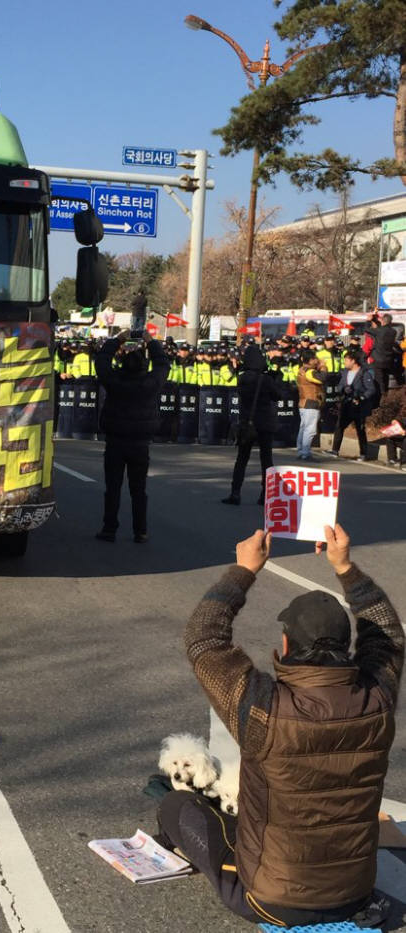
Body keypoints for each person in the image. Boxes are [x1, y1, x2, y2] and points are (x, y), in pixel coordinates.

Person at [158, 524, 403, 928]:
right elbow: (388, 635)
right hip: (353, 895)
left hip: (269, 898)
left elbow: (203, 638)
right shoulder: (378, 698)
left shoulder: (263, 708)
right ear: (347, 647)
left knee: (177, 806)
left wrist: (244, 570)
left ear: (286, 645)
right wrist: (346, 568)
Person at [94, 329, 168, 543]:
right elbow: (163, 364)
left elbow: (102, 362)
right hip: (140, 444)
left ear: (123, 364)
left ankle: (109, 528)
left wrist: (117, 339)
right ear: (144, 366)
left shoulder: (114, 381)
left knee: (113, 488)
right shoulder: (150, 384)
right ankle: (140, 531)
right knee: (139, 490)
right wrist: (151, 342)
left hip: (115, 441)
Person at [221, 343, 282, 506]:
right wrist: (274, 377)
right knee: (266, 460)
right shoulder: (267, 379)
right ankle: (265, 495)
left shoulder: (243, 378)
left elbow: (242, 394)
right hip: (265, 424)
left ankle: (235, 493)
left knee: (242, 459)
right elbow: (277, 396)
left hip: (247, 423)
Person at [328, 348, 376, 461]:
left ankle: (363, 454)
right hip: (346, 404)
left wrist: (361, 397)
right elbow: (339, 386)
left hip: (359, 406)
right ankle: (335, 450)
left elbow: (371, 389)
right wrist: (343, 389)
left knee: (360, 429)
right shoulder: (345, 373)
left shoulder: (364, 373)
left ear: (353, 361)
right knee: (339, 426)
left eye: (346, 360)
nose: (344, 363)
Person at [296, 349, 326, 460]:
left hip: (303, 403)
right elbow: (322, 379)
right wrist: (323, 367)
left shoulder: (301, 369)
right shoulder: (310, 372)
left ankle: (300, 451)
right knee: (310, 429)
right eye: (315, 359)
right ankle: (306, 452)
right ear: (311, 360)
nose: (317, 360)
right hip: (311, 402)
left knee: (303, 428)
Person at [370, 312, 397, 397]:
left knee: (379, 380)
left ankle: (382, 396)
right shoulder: (393, 331)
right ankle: (386, 394)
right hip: (388, 359)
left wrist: (368, 321)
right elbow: (382, 327)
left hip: (378, 360)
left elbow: (367, 329)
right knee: (385, 378)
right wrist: (375, 318)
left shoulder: (379, 331)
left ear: (383, 321)